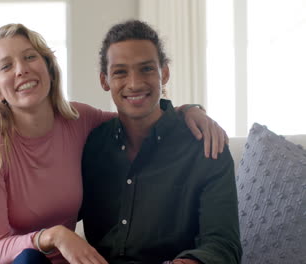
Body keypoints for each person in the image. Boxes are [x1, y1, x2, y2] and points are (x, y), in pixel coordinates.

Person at [0, 23, 228, 264]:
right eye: (7, 65)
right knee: (29, 259)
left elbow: (138, 113)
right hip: (21, 262)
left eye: (30, 57)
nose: (22, 69)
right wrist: (53, 236)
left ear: (49, 69)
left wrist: (189, 111)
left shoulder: (78, 120)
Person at [80, 20, 242, 263]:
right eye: (120, 72)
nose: (134, 83)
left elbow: (222, 245)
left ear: (164, 73)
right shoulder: (90, 145)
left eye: (146, 69)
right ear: (105, 80)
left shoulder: (206, 146)